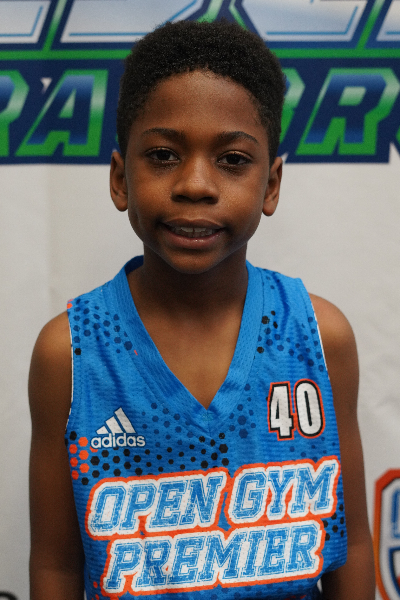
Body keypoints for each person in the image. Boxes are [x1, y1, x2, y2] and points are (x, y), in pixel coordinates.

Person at [28, 19, 375, 600]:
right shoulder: (71, 354)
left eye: (232, 160)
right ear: (120, 178)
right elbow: (56, 567)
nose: (195, 184)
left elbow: (353, 544)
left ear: (271, 184)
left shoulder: (318, 337)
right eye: (163, 155)